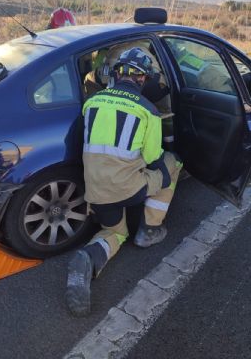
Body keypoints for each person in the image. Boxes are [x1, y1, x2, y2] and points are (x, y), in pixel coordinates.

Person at [66, 47, 182, 317]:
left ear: (116, 75)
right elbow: (153, 157)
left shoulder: (91, 102)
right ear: (143, 80)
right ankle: (150, 228)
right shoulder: (148, 110)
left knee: (115, 232)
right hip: (130, 190)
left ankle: (88, 258)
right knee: (173, 164)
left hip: (95, 192)